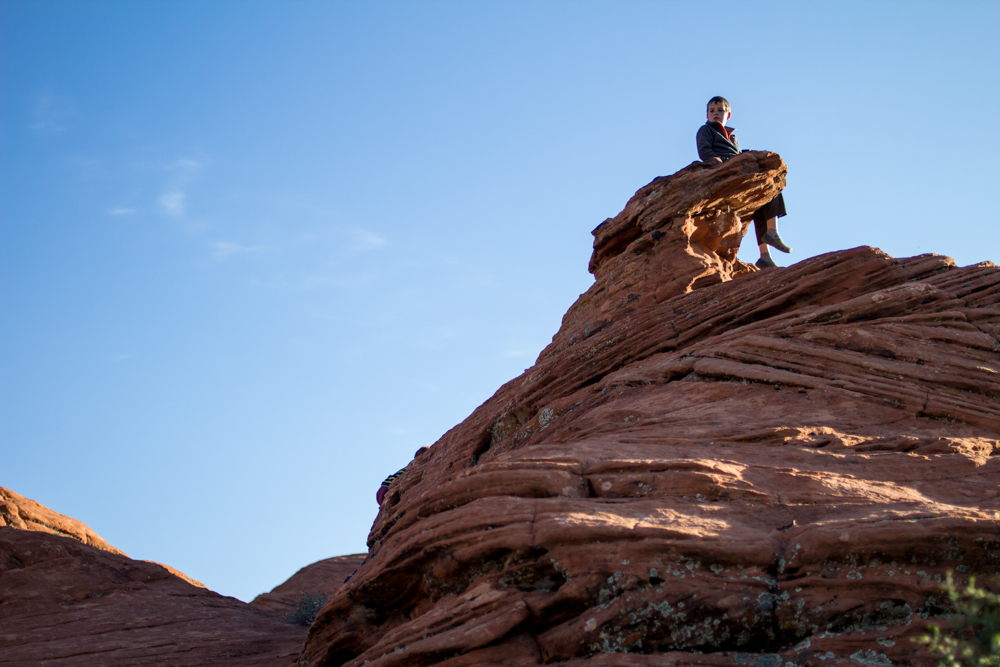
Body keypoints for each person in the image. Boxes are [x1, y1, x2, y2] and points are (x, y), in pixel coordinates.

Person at [696, 96, 792, 269]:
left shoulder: (732, 136)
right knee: (767, 185)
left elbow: (737, 152)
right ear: (707, 115)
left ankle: (765, 255)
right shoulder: (706, 130)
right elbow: (704, 151)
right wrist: (718, 162)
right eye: (712, 111)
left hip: (737, 167)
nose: (715, 114)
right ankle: (772, 233)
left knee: (765, 198)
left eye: (720, 111)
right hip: (725, 170)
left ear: (729, 115)